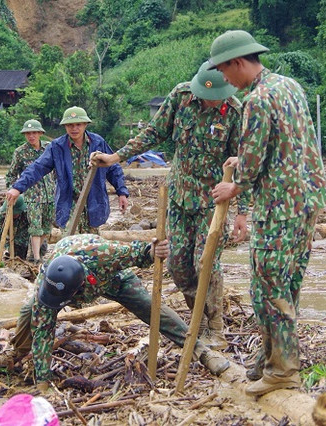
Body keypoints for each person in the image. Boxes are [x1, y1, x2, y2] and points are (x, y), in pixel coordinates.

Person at [91, 61, 248, 349]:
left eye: (216, 98)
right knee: (177, 264)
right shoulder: (180, 97)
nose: (211, 102)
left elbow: (243, 164)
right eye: (206, 96)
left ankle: (214, 327)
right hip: (178, 197)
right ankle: (198, 319)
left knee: (206, 263)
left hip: (212, 202)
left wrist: (242, 212)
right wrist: (115, 157)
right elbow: (153, 133)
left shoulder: (236, 113)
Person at [208, 30, 326, 396]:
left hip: (278, 206)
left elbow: (252, 165)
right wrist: (244, 160)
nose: (225, 79)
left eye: (224, 71)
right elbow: (284, 142)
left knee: (268, 289)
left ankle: (283, 371)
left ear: (237, 62)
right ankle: (271, 357)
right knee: (287, 285)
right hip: (305, 202)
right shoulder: (289, 86)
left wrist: (234, 186)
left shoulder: (257, 100)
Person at [11, 234, 230, 390]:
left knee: (150, 308)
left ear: (80, 286)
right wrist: (43, 383)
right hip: (67, 274)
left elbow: (138, 252)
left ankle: (203, 352)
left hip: (112, 279)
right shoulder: (47, 284)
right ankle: (18, 356)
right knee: (31, 313)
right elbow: (43, 332)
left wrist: (153, 251)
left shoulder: (104, 254)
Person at [5, 106, 129, 235]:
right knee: (69, 241)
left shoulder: (97, 142)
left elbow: (113, 168)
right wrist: (17, 188)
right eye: (70, 125)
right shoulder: (57, 146)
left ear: (85, 124)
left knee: (91, 243)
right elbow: (37, 168)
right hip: (69, 204)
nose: (74, 128)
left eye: (78, 125)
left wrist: (122, 192)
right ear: (65, 126)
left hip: (93, 202)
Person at [4, 119, 55, 261]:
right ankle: (36, 258)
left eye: (34, 133)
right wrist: (13, 191)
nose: (31, 136)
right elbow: (11, 175)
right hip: (32, 196)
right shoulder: (20, 152)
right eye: (28, 133)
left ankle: (35, 254)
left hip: (50, 195)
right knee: (35, 227)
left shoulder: (49, 148)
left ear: (40, 133)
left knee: (46, 228)